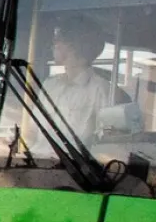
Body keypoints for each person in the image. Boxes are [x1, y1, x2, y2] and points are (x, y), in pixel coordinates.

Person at [30, 16, 121, 155]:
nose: (53, 44)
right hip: (36, 166)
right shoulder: (50, 85)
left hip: (74, 172)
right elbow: (31, 130)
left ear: (74, 45)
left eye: (57, 39)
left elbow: (107, 146)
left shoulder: (102, 91)